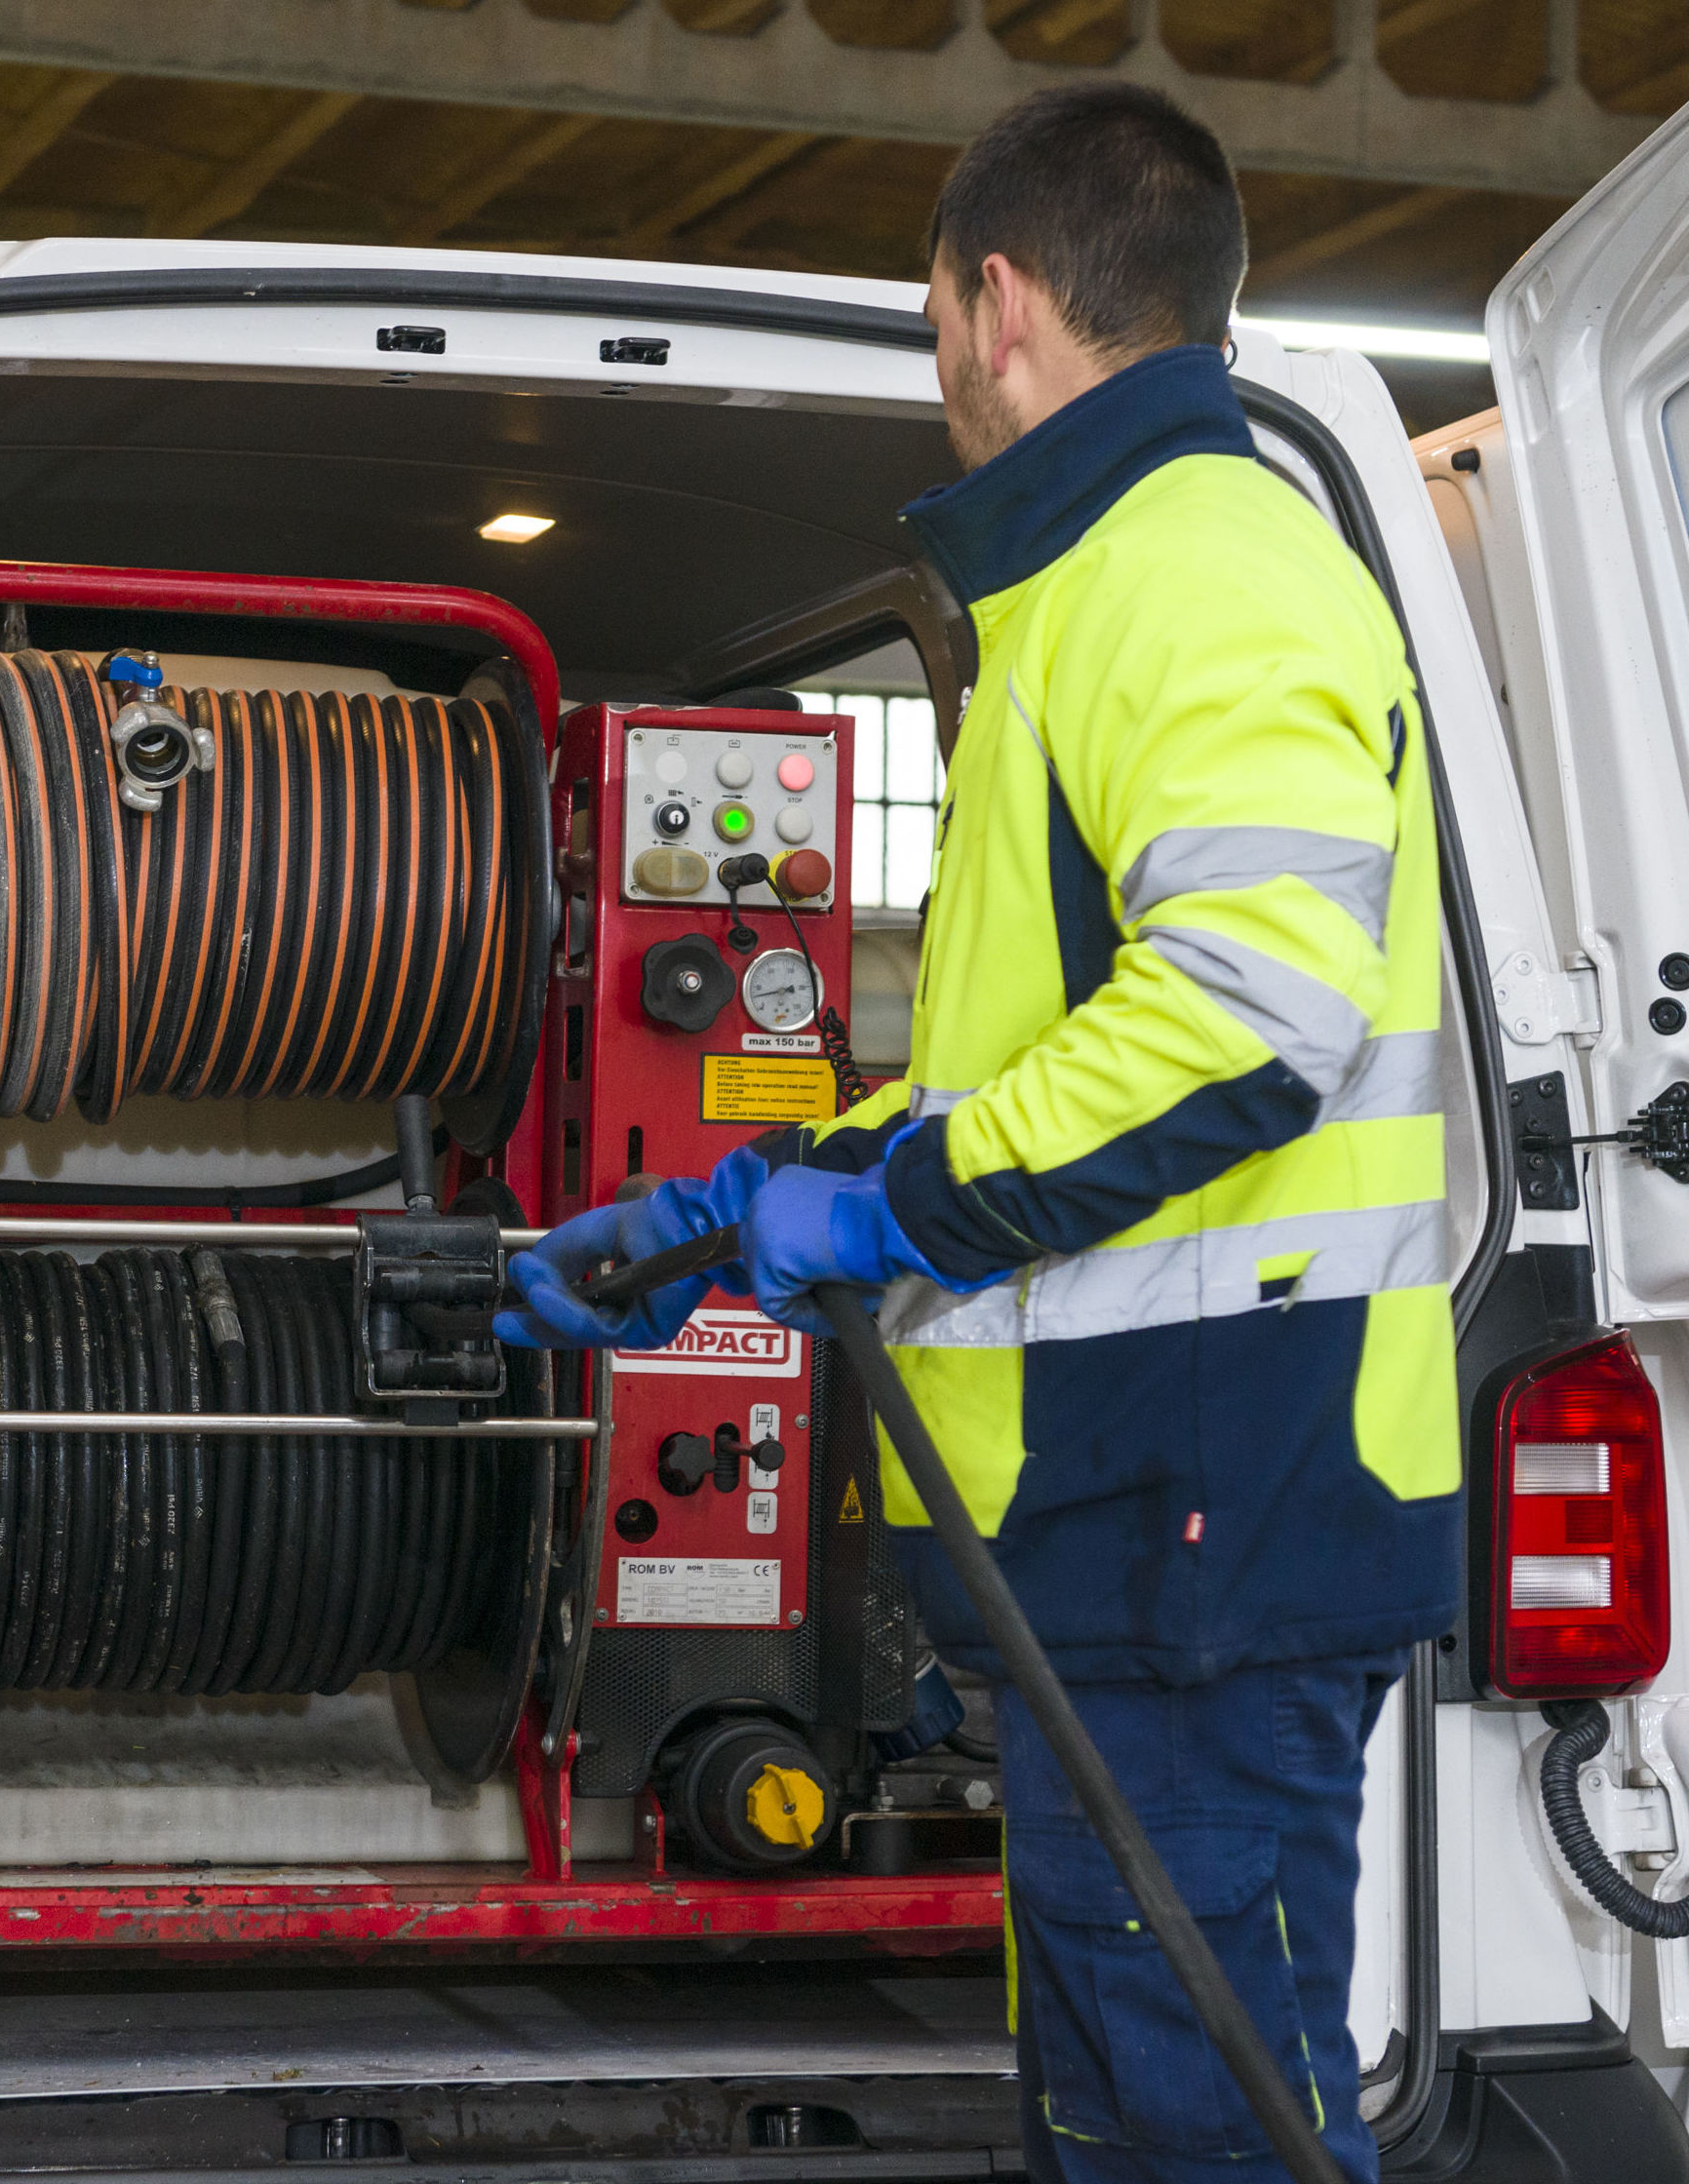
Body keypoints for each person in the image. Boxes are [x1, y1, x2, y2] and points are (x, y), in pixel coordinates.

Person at [499, 81, 1461, 2184]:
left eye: (936, 310)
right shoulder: (1104, 586)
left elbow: (1242, 1017)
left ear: (993, 302)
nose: (942, 355)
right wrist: (727, 1208)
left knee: (1202, 2105)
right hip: (1150, 1518)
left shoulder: (1195, 575)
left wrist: (896, 1213)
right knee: (1123, 2093)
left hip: (1207, 1495)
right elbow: (1039, 1050)